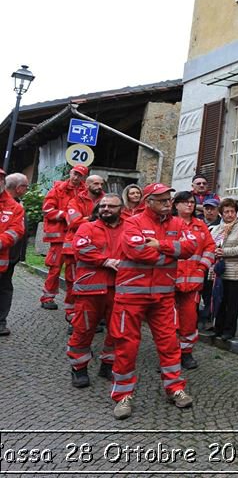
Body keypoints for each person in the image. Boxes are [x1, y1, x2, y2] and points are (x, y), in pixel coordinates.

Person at [113, 183, 198, 419]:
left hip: (163, 296)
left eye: (168, 199)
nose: (167, 203)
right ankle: (122, 396)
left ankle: (175, 388)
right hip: (131, 295)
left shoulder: (178, 223)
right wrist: (171, 254)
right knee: (126, 346)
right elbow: (136, 251)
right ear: (148, 201)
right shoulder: (132, 222)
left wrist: (161, 245)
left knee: (170, 343)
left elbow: (191, 246)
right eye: (161, 200)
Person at [68, 194, 125, 387]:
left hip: (119, 288)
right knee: (83, 329)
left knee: (117, 331)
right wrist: (106, 261)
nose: (106, 209)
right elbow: (81, 249)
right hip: (89, 289)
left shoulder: (129, 228)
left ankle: (108, 365)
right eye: (103, 206)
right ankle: (79, 368)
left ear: (121, 209)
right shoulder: (87, 227)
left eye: (111, 206)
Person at [172, 191, 216, 369]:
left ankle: (186, 353)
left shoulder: (200, 226)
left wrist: (202, 267)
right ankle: (170, 357)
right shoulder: (169, 224)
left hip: (193, 281)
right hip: (170, 282)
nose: (189, 205)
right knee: (169, 323)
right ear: (176, 205)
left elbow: (210, 247)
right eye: (184, 202)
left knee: (189, 319)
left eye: (191, 202)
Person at [39, 164, 86, 310]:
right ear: (70, 173)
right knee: (55, 267)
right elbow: (47, 210)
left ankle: (72, 301)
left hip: (76, 236)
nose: (76, 177)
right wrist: (67, 215)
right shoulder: (58, 189)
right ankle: (47, 297)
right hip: (60, 237)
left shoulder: (85, 191)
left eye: (80, 175)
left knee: (73, 269)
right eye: (75, 174)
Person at [63, 174, 105, 324]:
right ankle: (72, 313)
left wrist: (86, 218)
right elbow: (74, 223)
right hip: (74, 249)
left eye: (101, 183)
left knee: (97, 281)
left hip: (100, 248)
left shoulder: (106, 200)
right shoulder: (75, 201)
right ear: (86, 185)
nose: (99, 186)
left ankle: (95, 314)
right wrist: (95, 219)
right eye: (95, 183)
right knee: (74, 281)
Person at [210, 198, 238, 341]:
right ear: (221, 214)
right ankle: (218, 328)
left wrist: (225, 252)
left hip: (235, 271)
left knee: (232, 303)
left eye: (232, 211)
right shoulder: (217, 228)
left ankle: (229, 330)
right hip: (220, 272)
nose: (229, 214)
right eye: (226, 212)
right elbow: (211, 245)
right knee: (220, 301)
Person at [0, 172, 28, 336]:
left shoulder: (14, 207)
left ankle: (1, 322)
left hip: (5, 259)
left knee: (3, 289)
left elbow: (17, 230)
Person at [198, 196, 221, 329]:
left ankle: (207, 319)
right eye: (207, 208)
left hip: (212, 264)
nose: (209, 211)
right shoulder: (198, 222)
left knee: (209, 293)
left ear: (217, 210)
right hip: (197, 262)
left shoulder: (221, 224)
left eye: (212, 209)